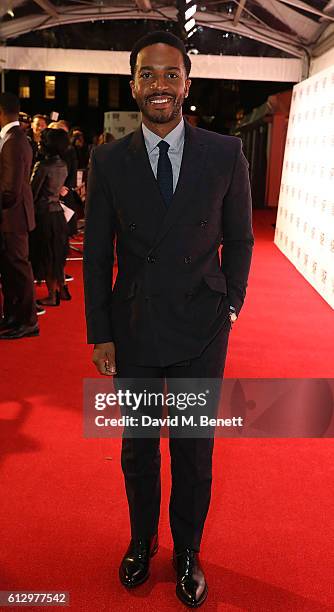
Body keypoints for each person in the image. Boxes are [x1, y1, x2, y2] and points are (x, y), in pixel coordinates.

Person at [83, 31, 254, 607]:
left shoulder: (225, 152)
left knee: (192, 447)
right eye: (148, 75)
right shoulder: (107, 158)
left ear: (187, 82)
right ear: (133, 84)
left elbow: (240, 237)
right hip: (134, 325)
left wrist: (231, 302)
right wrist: (99, 331)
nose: (160, 84)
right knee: (137, 447)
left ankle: (187, 550)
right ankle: (141, 541)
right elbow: (99, 252)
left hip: (201, 326)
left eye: (170, 74)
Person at [0, 92, 38, 339]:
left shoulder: (14, 140)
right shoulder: (12, 137)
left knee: (19, 269)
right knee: (10, 270)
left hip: (13, 218)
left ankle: (27, 321)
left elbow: (10, 190)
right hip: (10, 217)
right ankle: (14, 316)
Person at [29, 128, 70, 306]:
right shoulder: (63, 164)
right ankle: (61, 287)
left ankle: (52, 295)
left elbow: (32, 193)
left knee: (46, 255)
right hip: (58, 215)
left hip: (44, 215)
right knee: (57, 253)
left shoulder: (43, 166)